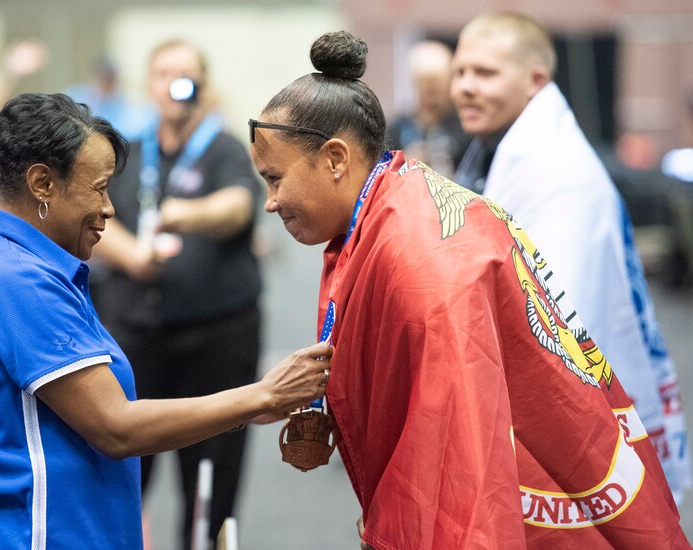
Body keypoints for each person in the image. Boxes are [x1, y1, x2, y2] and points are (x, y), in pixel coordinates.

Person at [249, 30, 688, 549]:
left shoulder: (422, 263)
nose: (271, 202)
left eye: (275, 179)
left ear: (337, 159)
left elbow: (458, 478)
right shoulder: (391, 199)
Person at [0, 92, 331, 549]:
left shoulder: (31, 268)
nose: (109, 208)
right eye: (98, 189)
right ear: (42, 183)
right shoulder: (12, 278)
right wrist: (259, 396)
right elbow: (115, 426)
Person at [450, 12, 691, 502]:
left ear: (535, 79)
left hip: (565, 430)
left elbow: (555, 328)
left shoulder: (558, 174)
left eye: (486, 73)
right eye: (460, 72)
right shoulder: (506, 148)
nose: (465, 88)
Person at [89, 39, 263, 549]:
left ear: (202, 87)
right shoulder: (126, 151)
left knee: (211, 475)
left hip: (216, 339)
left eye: (185, 76)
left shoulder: (224, 147)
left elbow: (237, 205)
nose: (173, 85)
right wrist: (131, 255)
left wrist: (185, 213)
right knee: (121, 467)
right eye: (163, 73)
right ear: (148, 83)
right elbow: (96, 216)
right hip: (133, 338)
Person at [385, 40, 468, 178]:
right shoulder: (395, 130)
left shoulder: (465, 128)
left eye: (437, 86)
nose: (432, 95)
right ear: (415, 83)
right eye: (426, 86)